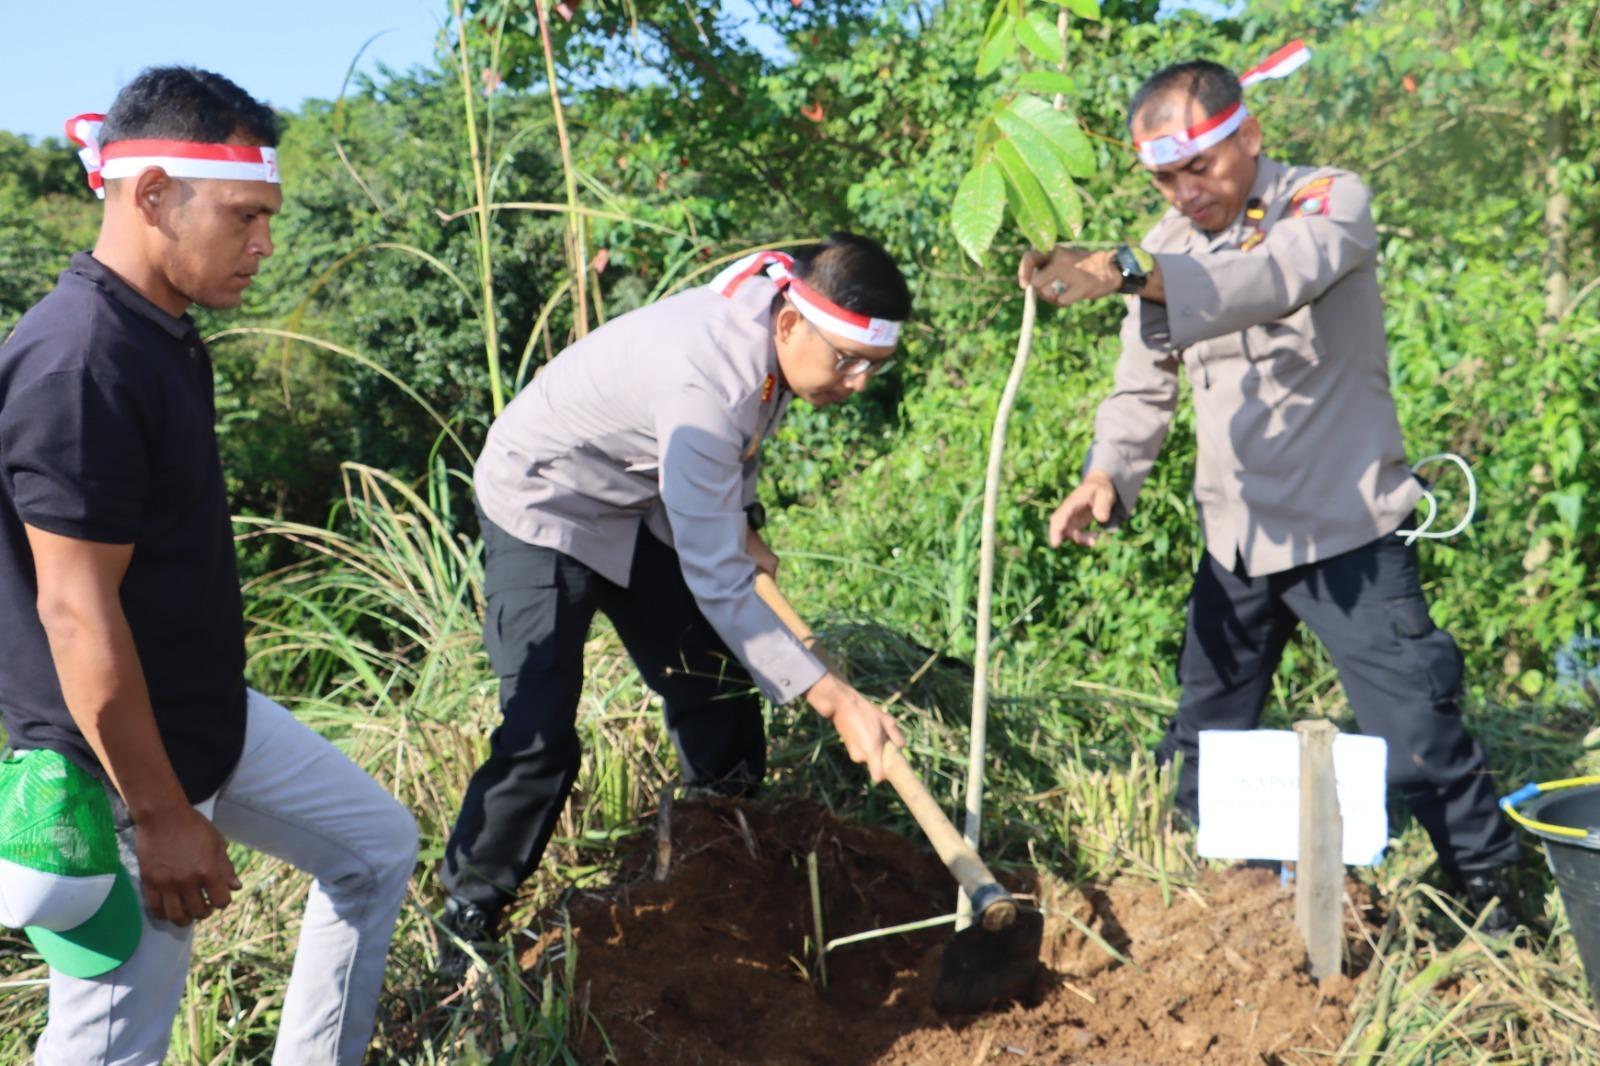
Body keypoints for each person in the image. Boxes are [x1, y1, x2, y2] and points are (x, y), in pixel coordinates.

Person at [1017, 56, 1521, 932]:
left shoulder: (1327, 203)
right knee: (1204, 739)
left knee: (1420, 737)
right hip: (1236, 541)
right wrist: (1107, 475)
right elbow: (1142, 390)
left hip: (1347, 538)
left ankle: (1493, 907)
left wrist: (1130, 270)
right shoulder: (1163, 249)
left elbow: (1274, 281)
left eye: (1197, 169)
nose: (1182, 194)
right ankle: (1204, 908)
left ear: (1247, 136)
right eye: (1164, 178)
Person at [0, 68, 418, 1064]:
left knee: (374, 847)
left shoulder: (161, 329)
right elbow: (74, 612)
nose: (265, 244)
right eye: (243, 217)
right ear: (151, 196)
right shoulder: (80, 361)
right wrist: (160, 815)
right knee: (112, 1042)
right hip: (115, 769)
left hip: (205, 719)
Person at [441, 234, 910, 957]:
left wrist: (742, 519)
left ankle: (720, 846)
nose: (856, 383)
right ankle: (468, 915)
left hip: (638, 498)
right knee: (540, 734)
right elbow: (716, 573)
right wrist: (837, 700)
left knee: (715, 683)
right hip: (545, 500)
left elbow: (737, 446)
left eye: (872, 367)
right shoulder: (707, 384)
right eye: (846, 361)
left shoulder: (778, 314)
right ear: (788, 326)